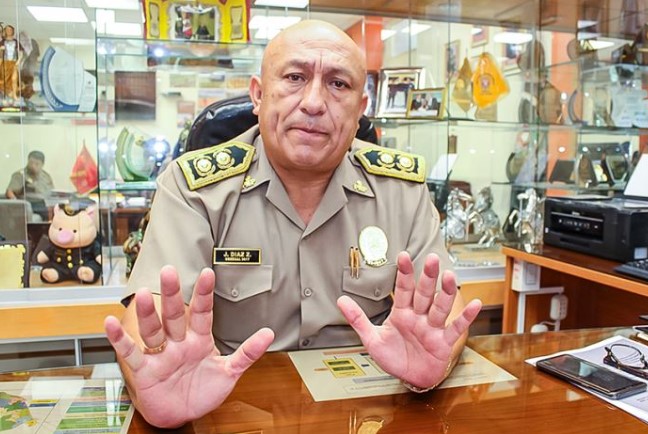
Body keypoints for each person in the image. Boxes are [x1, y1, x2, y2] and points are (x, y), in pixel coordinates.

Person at [104, 20, 482, 429]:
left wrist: (434, 366)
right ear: (258, 94)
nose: (314, 102)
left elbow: (441, 313)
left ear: (360, 108)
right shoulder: (193, 188)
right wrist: (159, 382)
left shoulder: (401, 190)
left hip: (366, 413)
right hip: (232, 407)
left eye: (338, 84)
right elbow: (155, 318)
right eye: (295, 77)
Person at [5, 150, 53, 220]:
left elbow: (52, 193)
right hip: (29, 204)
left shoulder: (46, 176)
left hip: (45, 204)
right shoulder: (20, 175)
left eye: (37, 164)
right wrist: (17, 204)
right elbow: (9, 192)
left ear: (42, 164)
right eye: (31, 163)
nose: (33, 166)